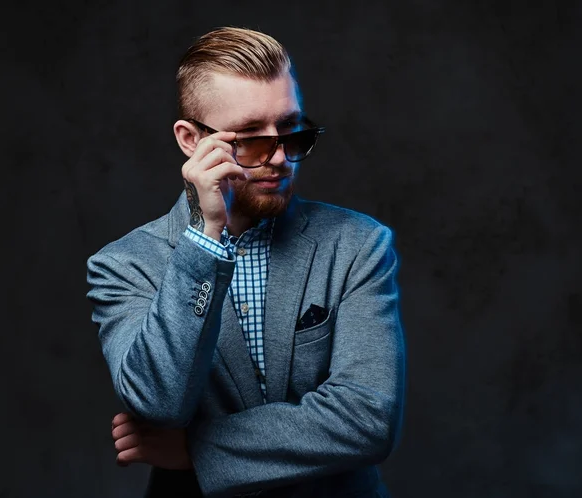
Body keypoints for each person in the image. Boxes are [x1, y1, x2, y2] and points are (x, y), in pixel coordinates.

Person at [87, 26, 405, 498]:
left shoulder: (359, 244)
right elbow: (158, 404)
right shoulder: (124, 265)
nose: (279, 157)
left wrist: (197, 450)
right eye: (251, 137)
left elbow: (367, 419)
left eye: (291, 130)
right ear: (191, 140)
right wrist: (204, 239)